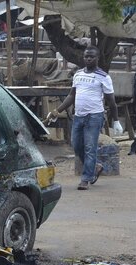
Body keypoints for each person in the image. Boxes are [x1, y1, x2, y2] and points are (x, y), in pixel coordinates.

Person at [48, 46, 118, 190]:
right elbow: (71, 95)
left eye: (91, 57)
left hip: (94, 116)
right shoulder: (78, 74)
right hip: (78, 116)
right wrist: (56, 111)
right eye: (86, 56)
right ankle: (96, 166)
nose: (88, 59)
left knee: (90, 147)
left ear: (97, 58)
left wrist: (115, 120)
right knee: (76, 145)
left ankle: (86, 179)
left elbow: (111, 101)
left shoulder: (104, 77)